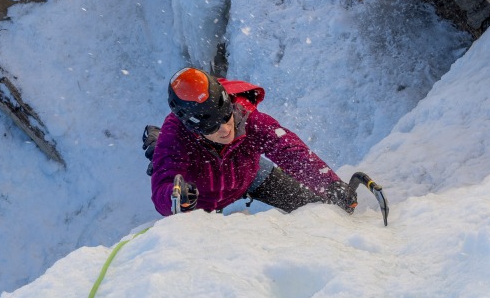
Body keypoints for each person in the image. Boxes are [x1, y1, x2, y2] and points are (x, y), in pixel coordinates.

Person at [145, 67, 357, 216]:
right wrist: (176, 198)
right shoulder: (175, 137)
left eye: (226, 117)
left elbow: (288, 149)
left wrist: (330, 184)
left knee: (318, 207)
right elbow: (162, 192)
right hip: (202, 200)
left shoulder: (247, 116)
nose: (226, 130)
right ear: (192, 128)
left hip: (249, 174)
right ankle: (155, 141)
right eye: (212, 127)